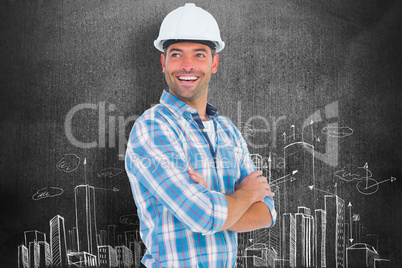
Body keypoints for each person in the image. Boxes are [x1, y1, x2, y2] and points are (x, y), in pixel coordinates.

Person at [125, 3, 277, 267]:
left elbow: (267, 213)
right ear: (163, 62)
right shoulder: (152, 128)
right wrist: (244, 195)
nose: (187, 66)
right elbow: (202, 217)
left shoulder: (228, 130)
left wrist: (212, 198)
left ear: (214, 63)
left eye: (199, 55)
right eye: (176, 55)